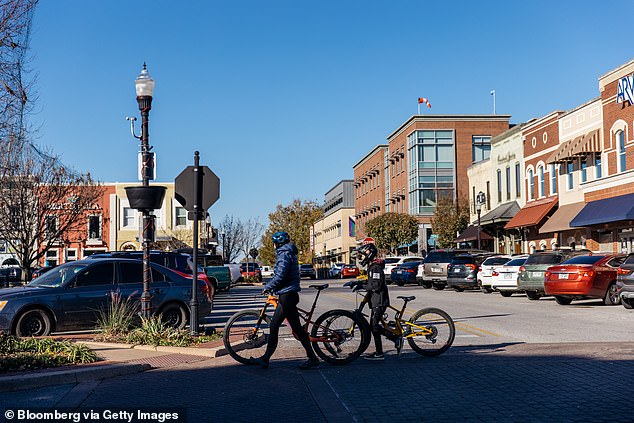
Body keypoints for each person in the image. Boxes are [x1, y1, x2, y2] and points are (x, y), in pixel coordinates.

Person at [250, 231, 320, 370]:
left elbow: (281, 275)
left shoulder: (284, 255)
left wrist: (268, 286)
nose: (273, 245)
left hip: (287, 295)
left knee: (276, 326)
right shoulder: (288, 253)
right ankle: (312, 358)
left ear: (277, 243)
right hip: (288, 294)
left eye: (274, 243)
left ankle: (266, 359)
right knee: (296, 329)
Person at [357, 243, 390, 360]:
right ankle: (380, 350)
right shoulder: (372, 267)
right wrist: (359, 283)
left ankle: (385, 348)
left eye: (361, 256)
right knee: (373, 326)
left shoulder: (375, 267)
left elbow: (376, 285)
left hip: (380, 301)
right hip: (376, 300)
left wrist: (363, 286)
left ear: (369, 254)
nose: (360, 258)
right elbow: (371, 283)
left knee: (374, 326)